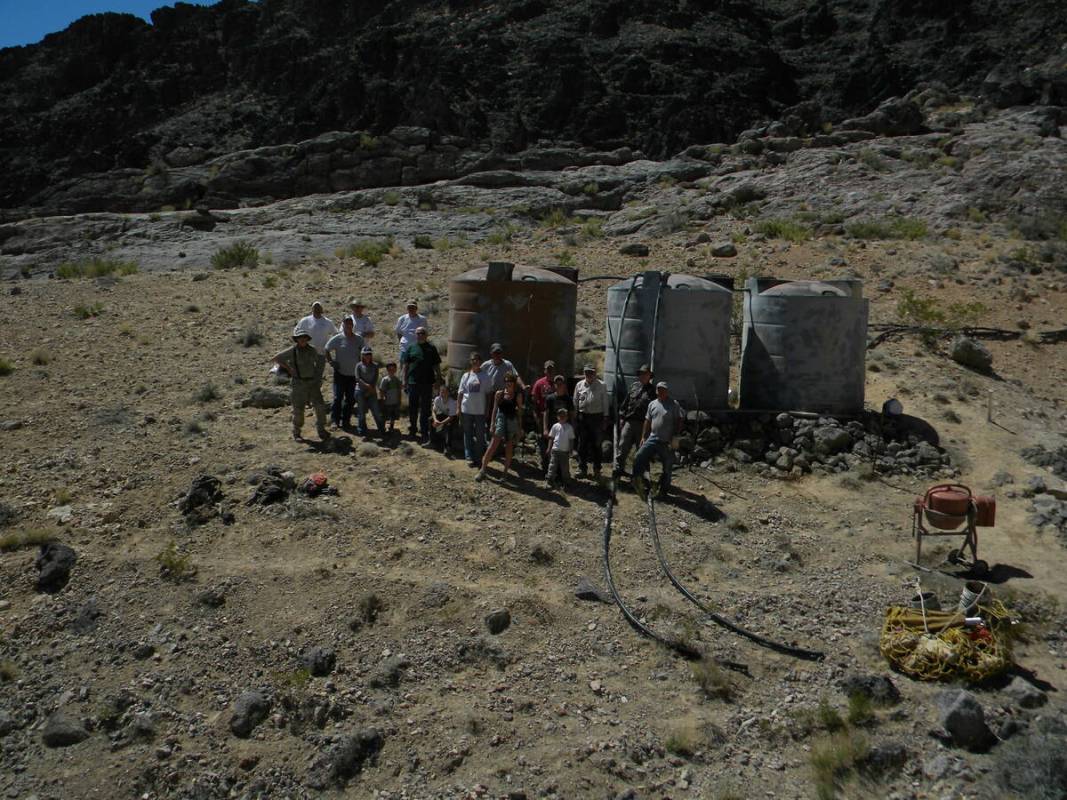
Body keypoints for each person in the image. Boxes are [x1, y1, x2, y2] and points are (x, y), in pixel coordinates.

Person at [273, 325, 330, 441]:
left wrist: (318, 378)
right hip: (298, 383)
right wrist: (289, 368)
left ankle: (321, 429)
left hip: (312, 382)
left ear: (307, 338)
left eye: (304, 337)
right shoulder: (292, 351)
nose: (302, 339)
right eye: (300, 337)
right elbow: (277, 358)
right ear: (296, 339)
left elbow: (320, 361)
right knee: (298, 409)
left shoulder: (312, 350)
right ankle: (297, 432)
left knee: (319, 406)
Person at [632, 382, 685, 501]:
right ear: (656, 391)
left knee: (667, 466)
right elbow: (647, 421)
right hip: (653, 437)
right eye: (659, 390)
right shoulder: (652, 404)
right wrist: (643, 437)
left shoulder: (673, 404)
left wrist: (675, 437)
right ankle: (637, 482)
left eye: (663, 390)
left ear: (667, 391)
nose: (661, 392)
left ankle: (664, 491)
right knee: (638, 457)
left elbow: (679, 420)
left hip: (666, 441)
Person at [476, 372, 523, 482]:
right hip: (501, 419)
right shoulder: (499, 394)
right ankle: (482, 470)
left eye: (510, 381)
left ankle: (505, 473)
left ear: (514, 383)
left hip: (512, 421)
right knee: (493, 444)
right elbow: (495, 409)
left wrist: (520, 428)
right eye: (506, 381)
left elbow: (520, 413)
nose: (508, 384)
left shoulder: (517, 395)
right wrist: (492, 423)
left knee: (509, 447)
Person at [401, 326, 441, 444]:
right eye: (418, 333)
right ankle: (413, 430)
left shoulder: (431, 348)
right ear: (415, 335)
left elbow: (436, 365)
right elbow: (405, 366)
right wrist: (404, 380)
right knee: (413, 408)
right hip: (413, 382)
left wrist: (438, 379)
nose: (420, 335)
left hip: (427, 383)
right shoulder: (411, 348)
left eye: (422, 333)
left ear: (426, 335)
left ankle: (424, 431)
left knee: (425, 409)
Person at [614, 364, 656, 475]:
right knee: (622, 446)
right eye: (641, 374)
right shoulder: (634, 386)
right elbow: (625, 403)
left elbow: (655, 410)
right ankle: (619, 469)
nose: (643, 376)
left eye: (645, 374)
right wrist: (622, 418)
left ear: (649, 376)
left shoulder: (653, 391)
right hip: (629, 421)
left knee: (642, 450)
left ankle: (641, 475)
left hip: (644, 424)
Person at [323, 317, 364, 429]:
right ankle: (335, 420)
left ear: (353, 325)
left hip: (353, 375)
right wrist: (331, 361)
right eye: (346, 324)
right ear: (343, 325)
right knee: (337, 398)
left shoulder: (359, 339)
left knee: (350, 399)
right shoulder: (337, 338)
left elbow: (364, 351)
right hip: (340, 374)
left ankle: (346, 421)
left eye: (350, 324)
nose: (349, 326)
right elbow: (326, 349)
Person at [573, 364, 607, 478]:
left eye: (591, 372)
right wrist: (575, 416)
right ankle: (582, 468)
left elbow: (605, 403)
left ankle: (597, 469)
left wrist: (605, 418)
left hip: (597, 418)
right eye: (586, 372)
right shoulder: (579, 385)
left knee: (596, 444)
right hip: (583, 418)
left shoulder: (602, 385)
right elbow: (575, 401)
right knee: (582, 444)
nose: (589, 374)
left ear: (595, 373)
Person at [457, 352, 489, 466]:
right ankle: (469, 456)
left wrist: (487, 409)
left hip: (480, 410)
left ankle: (478, 457)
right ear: (470, 362)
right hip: (466, 409)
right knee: (468, 434)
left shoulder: (485, 376)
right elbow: (460, 393)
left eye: (477, 359)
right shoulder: (466, 376)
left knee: (480, 435)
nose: (475, 361)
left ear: (480, 361)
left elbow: (488, 394)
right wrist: (458, 408)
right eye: (472, 359)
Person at [542, 375, 574, 472]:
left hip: (564, 430)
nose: (559, 385)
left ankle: (561, 475)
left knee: (563, 453)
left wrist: (572, 429)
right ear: (554, 385)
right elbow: (546, 414)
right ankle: (549, 473)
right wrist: (545, 428)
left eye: (561, 384)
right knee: (550, 451)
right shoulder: (550, 398)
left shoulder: (568, 399)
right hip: (553, 428)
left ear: (564, 385)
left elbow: (572, 415)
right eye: (557, 384)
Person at [355, 346, 384, 436]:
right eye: (365, 354)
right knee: (361, 411)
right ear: (362, 355)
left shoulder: (375, 366)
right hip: (360, 390)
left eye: (369, 354)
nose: (368, 356)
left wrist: (371, 387)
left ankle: (381, 429)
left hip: (371, 391)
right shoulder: (358, 365)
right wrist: (366, 385)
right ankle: (361, 429)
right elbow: (357, 378)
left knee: (376, 411)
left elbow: (375, 378)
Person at [545, 407, 575, 490]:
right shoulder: (555, 426)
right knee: (552, 467)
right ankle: (549, 481)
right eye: (560, 416)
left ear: (567, 417)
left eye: (564, 416)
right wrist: (549, 448)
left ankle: (566, 483)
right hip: (555, 450)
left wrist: (571, 449)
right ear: (557, 417)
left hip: (565, 451)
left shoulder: (569, 427)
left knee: (565, 468)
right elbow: (551, 438)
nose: (562, 417)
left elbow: (571, 439)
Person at [430, 384, 459, 455]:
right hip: (443, 415)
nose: (442, 393)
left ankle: (447, 447)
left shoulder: (452, 402)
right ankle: (432, 441)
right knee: (430, 419)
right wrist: (435, 420)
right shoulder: (437, 399)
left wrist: (441, 423)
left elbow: (451, 417)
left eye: (444, 391)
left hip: (451, 418)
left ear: (448, 393)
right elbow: (433, 411)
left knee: (449, 425)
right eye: (441, 391)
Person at [379, 363, 402, 435]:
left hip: (395, 402)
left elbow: (399, 391)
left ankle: (391, 428)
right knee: (385, 416)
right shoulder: (385, 380)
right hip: (387, 402)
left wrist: (399, 400)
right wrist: (382, 400)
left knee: (393, 416)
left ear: (395, 369)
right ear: (387, 370)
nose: (392, 370)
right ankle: (382, 429)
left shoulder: (397, 380)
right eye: (390, 369)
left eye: (393, 369)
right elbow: (381, 391)